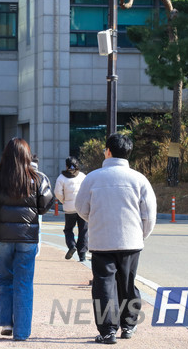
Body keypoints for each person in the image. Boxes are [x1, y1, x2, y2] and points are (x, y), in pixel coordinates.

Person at [75, 133, 157, 345]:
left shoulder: (92, 177)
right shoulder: (139, 179)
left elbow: (81, 209)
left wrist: (96, 220)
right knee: (127, 283)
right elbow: (149, 215)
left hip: (102, 240)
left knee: (103, 285)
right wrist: (141, 235)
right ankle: (129, 325)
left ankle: (107, 331)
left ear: (108, 151)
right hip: (131, 241)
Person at [0, 138, 54, 341]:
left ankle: (6, 323)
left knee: (5, 279)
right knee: (24, 282)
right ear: (27, 156)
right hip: (28, 237)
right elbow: (46, 204)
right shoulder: (37, 178)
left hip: (3, 235)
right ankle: (22, 331)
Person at [54, 156, 88, 262]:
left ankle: (71, 245)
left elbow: (57, 193)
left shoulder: (61, 178)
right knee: (83, 231)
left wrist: (64, 201)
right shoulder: (82, 176)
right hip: (82, 207)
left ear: (66, 166)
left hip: (69, 209)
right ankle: (82, 255)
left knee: (68, 229)